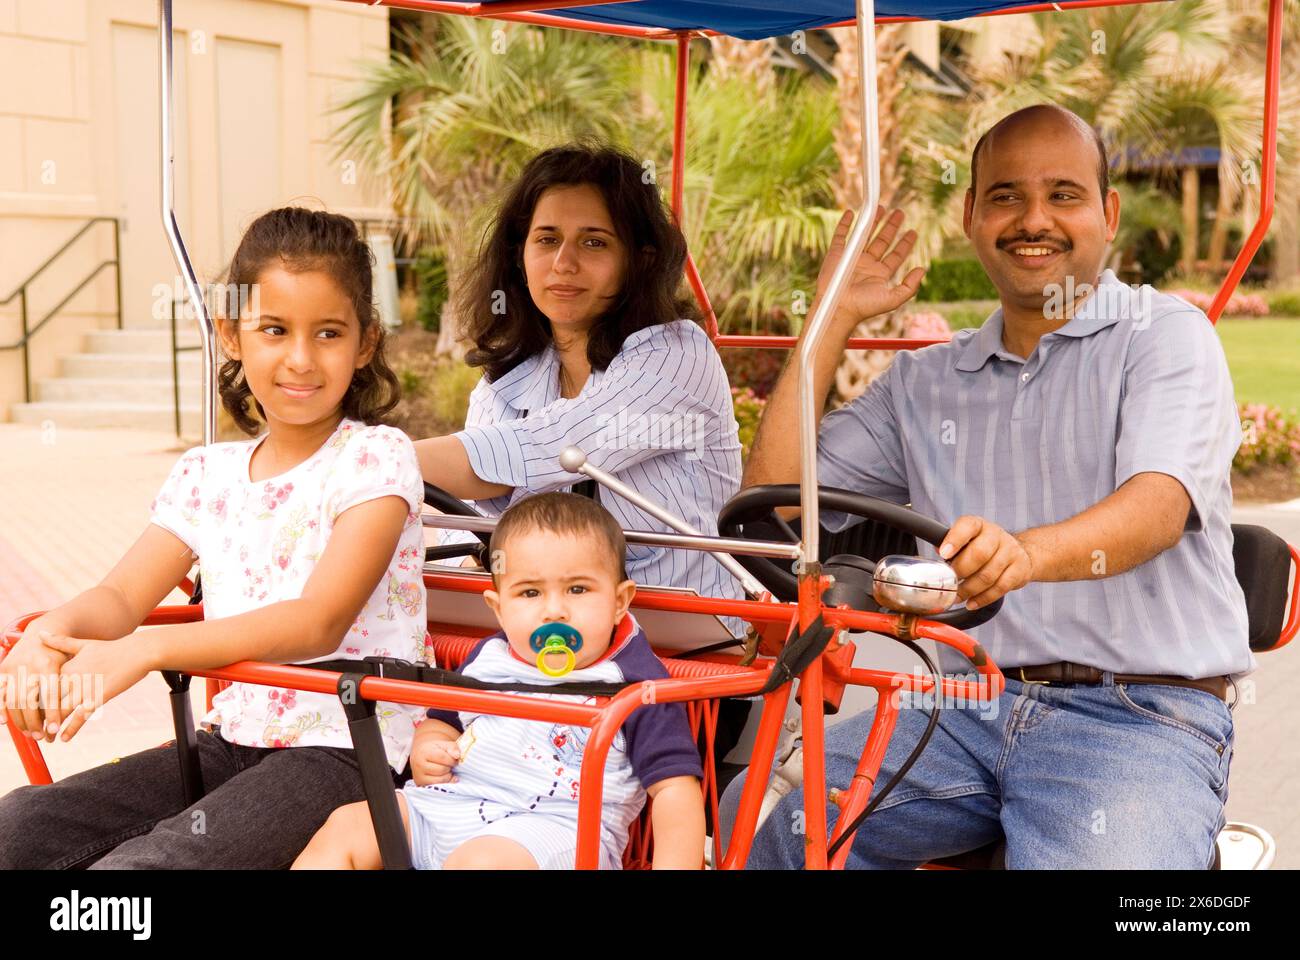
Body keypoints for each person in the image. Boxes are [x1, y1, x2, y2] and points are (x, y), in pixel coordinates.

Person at [723, 104, 1251, 869]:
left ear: (1107, 214)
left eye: (1063, 195)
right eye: (1005, 196)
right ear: (971, 216)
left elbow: (1158, 507)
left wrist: (1024, 554)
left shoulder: (1164, 335)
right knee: (762, 815)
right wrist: (832, 309)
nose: (1032, 219)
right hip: (964, 705)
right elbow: (773, 493)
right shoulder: (924, 383)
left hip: (1141, 715)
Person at [0, 207, 428, 868]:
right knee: (19, 825)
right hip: (232, 740)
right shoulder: (208, 474)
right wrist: (44, 636)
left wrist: (148, 650)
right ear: (231, 333)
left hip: (348, 749)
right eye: (275, 330)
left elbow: (318, 621)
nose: (300, 359)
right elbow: (119, 597)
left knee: (151, 868)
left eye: (329, 333)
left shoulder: (375, 461)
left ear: (366, 343)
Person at [411, 143, 746, 638]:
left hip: (688, 650)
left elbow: (550, 449)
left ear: (639, 260)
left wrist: (362, 458)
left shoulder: (677, 356)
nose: (563, 263)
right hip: (552, 647)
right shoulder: (506, 379)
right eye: (546, 240)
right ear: (519, 255)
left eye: (594, 243)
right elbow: (477, 521)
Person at [294, 492, 705, 870]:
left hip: (556, 832)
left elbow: (674, 790)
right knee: (349, 824)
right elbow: (442, 720)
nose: (554, 611)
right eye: (529, 594)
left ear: (619, 602)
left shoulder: (637, 684)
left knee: (482, 862)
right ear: (498, 607)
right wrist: (427, 749)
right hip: (451, 806)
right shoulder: (488, 658)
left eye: (578, 589)